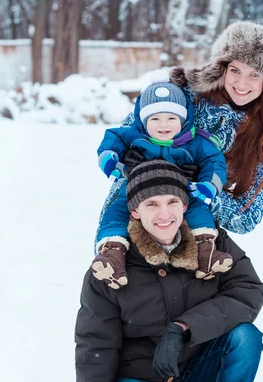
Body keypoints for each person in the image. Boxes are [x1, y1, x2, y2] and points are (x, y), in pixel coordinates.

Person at [96, 20, 263, 382]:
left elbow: (249, 216)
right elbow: (129, 143)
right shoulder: (183, 97)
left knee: (227, 320)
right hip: (147, 224)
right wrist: (118, 225)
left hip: (206, 235)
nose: (243, 83)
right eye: (237, 70)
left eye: (255, 75)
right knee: (140, 318)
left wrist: (199, 190)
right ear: (222, 67)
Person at [75, 160, 263, 382]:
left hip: (197, 365)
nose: (165, 214)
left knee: (245, 338)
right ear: (134, 211)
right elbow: (94, 359)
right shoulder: (110, 269)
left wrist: (185, 328)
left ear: (185, 204)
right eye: (152, 204)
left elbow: (248, 291)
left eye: (172, 202)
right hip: (140, 378)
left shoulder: (211, 243)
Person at [92, 74, 232, 288]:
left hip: (180, 189)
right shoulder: (135, 136)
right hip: (136, 188)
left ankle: (206, 254)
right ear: (143, 121)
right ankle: (112, 255)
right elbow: (112, 138)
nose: (163, 125)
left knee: (197, 209)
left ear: (184, 120)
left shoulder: (194, 143)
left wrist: (207, 185)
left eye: (171, 118)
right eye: (155, 119)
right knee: (118, 210)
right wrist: (110, 159)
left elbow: (214, 161)